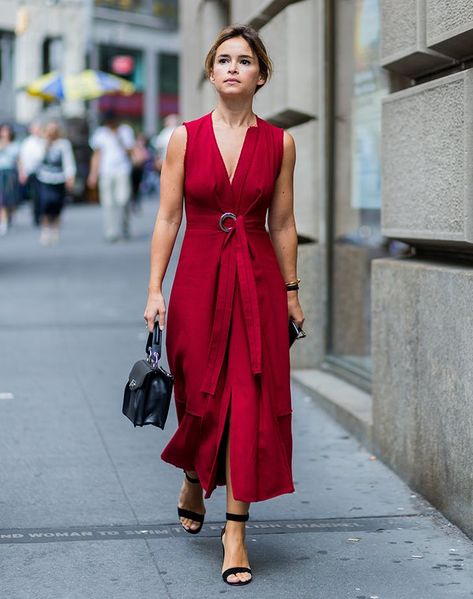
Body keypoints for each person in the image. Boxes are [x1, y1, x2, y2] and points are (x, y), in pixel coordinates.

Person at [144, 25, 304, 587]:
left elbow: (282, 222)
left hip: (257, 280)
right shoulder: (184, 138)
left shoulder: (280, 143)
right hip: (198, 280)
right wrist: (155, 289)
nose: (233, 67)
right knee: (198, 395)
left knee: (247, 401)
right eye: (223, 60)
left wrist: (292, 290)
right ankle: (192, 472)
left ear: (261, 74)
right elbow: (169, 217)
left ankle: (235, 532)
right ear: (211, 73)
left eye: (245, 60)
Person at [87, 111, 135, 242]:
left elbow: (131, 150)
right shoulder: (100, 133)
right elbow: (97, 155)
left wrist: (120, 139)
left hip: (122, 170)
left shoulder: (125, 131)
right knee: (108, 203)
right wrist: (93, 174)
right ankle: (111, 231)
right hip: (106, 171)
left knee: (123, 199)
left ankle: (124, 227)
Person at [36, 120, 76, 245]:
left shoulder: (64, 144)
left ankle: (55, 229)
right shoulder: (40, 143)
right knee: (45, 204)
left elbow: (68, 161)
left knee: (57, 205)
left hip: (59, 179)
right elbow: (36, 160)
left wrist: (70, 177)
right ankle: (45, 230)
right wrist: (45, 145)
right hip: (44, 179)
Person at [18, 120, 44, 227]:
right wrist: (22, 172)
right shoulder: (27, 143)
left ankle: (43, 214)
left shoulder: (43, 142)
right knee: (34, 195)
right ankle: (36, 216)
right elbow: (22, 159)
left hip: (43, 173)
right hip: (31, 173)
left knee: (43, 195)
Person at [0, 124, 20, 236]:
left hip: (10, 173)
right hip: (0, 172)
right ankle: (3, 222)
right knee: (1, 198)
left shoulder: (14, 145)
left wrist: (22, 172)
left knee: (10, 197)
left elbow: (18, 160)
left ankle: (11, 218)